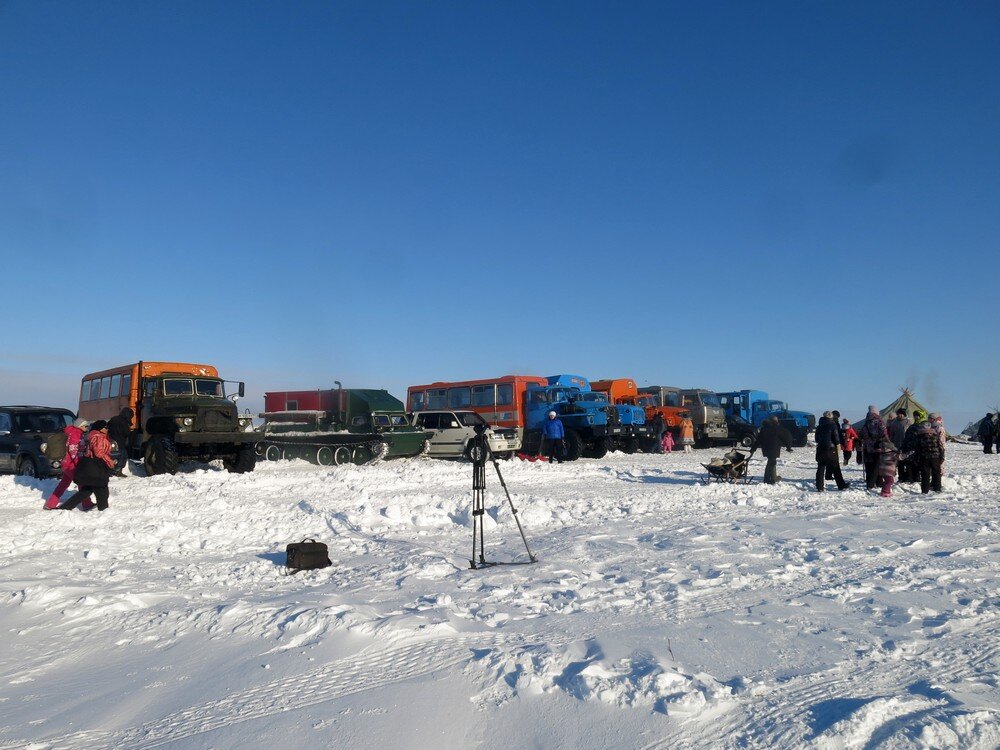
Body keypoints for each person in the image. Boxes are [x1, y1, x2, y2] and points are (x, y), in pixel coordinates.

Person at [59, 420, 115, 511]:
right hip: (98, 466)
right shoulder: (98, 437)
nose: (107, 429)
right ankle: (104, 510)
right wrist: (110, 462)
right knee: (101, 489)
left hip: (94, 466)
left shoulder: (94, 435)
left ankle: (66, 507)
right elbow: (99, 453)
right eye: (106, 427)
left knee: (87, 490)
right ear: (100, 428)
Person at [43, 417, 89, 510]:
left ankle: (50, 504)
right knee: (82, 483)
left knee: (63, 484)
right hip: (71, 464)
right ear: (80, 426)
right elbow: (73, 450)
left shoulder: (72, 432)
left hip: (66, 463)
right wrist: (78, 464)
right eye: (85, 426)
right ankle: (86, 504)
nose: (87, 428)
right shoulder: (76, 433)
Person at [751, 415, 793, 484]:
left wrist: (753, 449)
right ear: (776, 421)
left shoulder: (764, 428)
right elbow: (786, 438)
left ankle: (772, 477)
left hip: (766, 449)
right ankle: (768, 479)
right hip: (774, 448)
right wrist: (788, 447)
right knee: (772, 463)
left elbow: (758, 440)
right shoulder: (778, 428)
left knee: (771, 462)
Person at [815, 411, 848, 491]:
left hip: (821, 449)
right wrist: (838, 448)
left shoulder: (819, 426)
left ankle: (820, 487)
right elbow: (836, 439)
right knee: (836, 468)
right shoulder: (833, 425)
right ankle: (841, 485)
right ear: (831, 417)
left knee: (820, 468)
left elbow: (816, 439)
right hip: (831, 450)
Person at [911, 415, 943, 493]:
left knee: (925, 474)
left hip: (924, 457)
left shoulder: (919, 437)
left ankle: (925, 490)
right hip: (935, 457)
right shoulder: (935, 435)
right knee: (936, 473)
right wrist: (942, 457)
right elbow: (941, 447)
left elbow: (917, 448)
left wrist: (916, 458)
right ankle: (937, 488)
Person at [860, 405, 889, 490]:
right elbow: (884, 434)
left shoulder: (866, 422)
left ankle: (875, 482)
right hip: (877, 447)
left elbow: (861, 434)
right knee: (876, 466)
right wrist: (887, 443)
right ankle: (871, 484)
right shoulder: (879, 422)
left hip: (867, 447)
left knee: (869, 466)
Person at [106, 407, 134, 477]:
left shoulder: (113, 419)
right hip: (120, 441)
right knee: (122, 456)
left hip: (111, 440)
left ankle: (109, 470)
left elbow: (107, 427)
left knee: (110, 455)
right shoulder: (124, 421)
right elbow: (126, 432)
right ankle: (117, 471)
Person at [825, 411, 843, 480]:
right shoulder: (835, 423)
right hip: (834, 444)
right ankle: (833, 477)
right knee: (835, 461)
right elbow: (837, 434)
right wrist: (840, 442)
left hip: (827, 444)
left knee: (829, 461)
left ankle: (828, 475)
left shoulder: (827, 422)